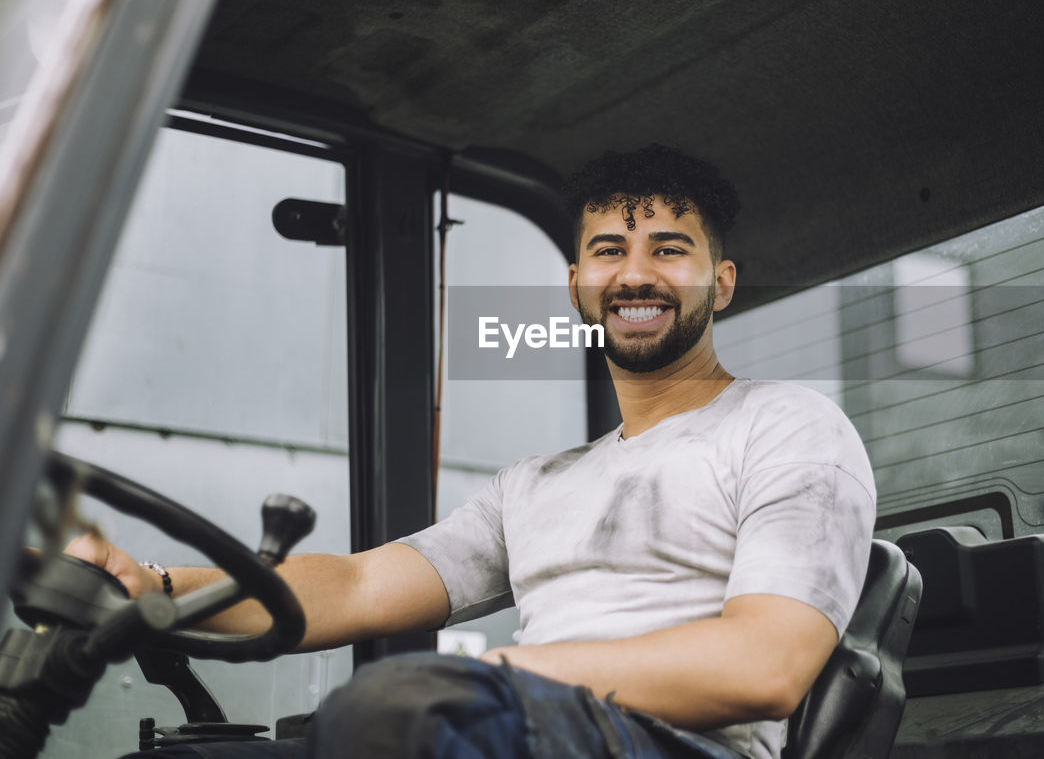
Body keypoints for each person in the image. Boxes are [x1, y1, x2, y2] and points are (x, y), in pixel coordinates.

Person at [70, 144, 876, 759]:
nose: (635, 273)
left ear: (721, 282)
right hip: (535, 727)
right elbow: (352, 585)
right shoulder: (533, 484)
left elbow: (763, 665)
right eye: (608, 250)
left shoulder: (789, 426)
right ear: (575, 283)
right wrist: (157, 588)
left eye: (669, 249)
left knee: (401, 709)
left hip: (678, 746)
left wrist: (499, 674)